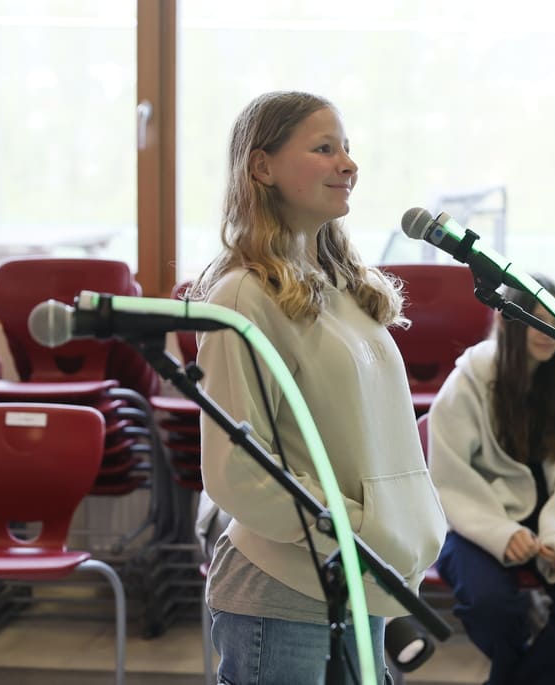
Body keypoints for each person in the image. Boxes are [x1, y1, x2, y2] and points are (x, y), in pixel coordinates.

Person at [191, 91, 447, 685]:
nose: (349, 165)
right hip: (286, 588)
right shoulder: (241, 295)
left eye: (348, 149)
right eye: (324, 148)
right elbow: (235, 470)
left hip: (360, 574)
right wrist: (355, 529)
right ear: (263, 168)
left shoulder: (344, 287)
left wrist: (387, 531)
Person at [427, 275, 555, 685]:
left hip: (554, 523)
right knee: (493, 606)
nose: (547, 332)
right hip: (472, 523)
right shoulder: (470, 379)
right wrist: (501, 533)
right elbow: (448, 479)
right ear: (507, 322)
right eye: (535, 319)